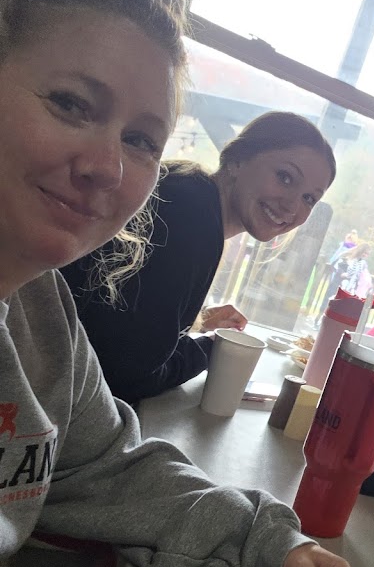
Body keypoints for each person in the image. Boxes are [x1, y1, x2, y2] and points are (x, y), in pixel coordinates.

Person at [0, 0, 362, 567]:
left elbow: (106, 464)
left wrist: (269, 542)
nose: (107, 165)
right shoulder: (195, 210)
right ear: (238, 158)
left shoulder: (42, 312)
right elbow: (141, 364)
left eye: (140, 140)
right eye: (71, 104)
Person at [60, 111, 337, 403]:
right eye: (285, 177)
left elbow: (128, 317)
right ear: (238, 160)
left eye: (309, 198)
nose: (292, 206)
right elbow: (133, 375)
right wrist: (213, 348)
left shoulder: (188, 188)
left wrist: (199, 321)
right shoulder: (192, 215)